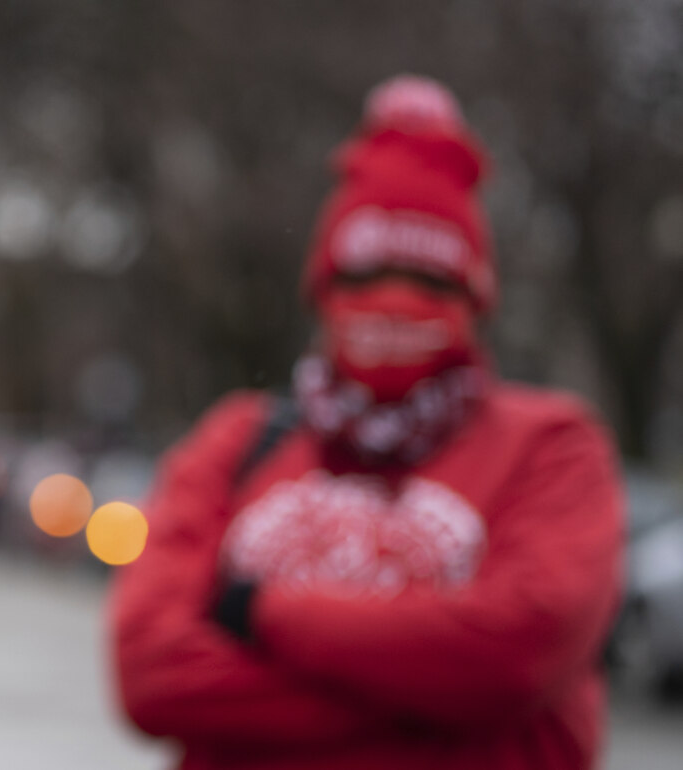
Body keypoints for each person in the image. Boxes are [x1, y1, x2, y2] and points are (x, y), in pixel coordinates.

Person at [109, 75, 624, 769]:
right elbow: (153, 674)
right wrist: (434, 708)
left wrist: (260, 611)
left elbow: (513, 659)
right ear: (322, 292)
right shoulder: (239, 439)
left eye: (430, 283)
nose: (392, 301)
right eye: (363, 276)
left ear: (475, 299)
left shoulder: (552, 448)